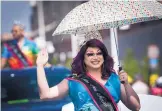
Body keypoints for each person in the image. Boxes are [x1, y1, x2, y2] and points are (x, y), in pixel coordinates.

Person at [36, 39, 141, 111]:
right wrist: (40, 66)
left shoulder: (114, 79)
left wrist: (126, 84)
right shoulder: (73, 82)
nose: (95, 57)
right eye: (90, 54)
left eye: (99, 53)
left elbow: (136, 107)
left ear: (104, 57)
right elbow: (45, 94)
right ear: (83, 59)